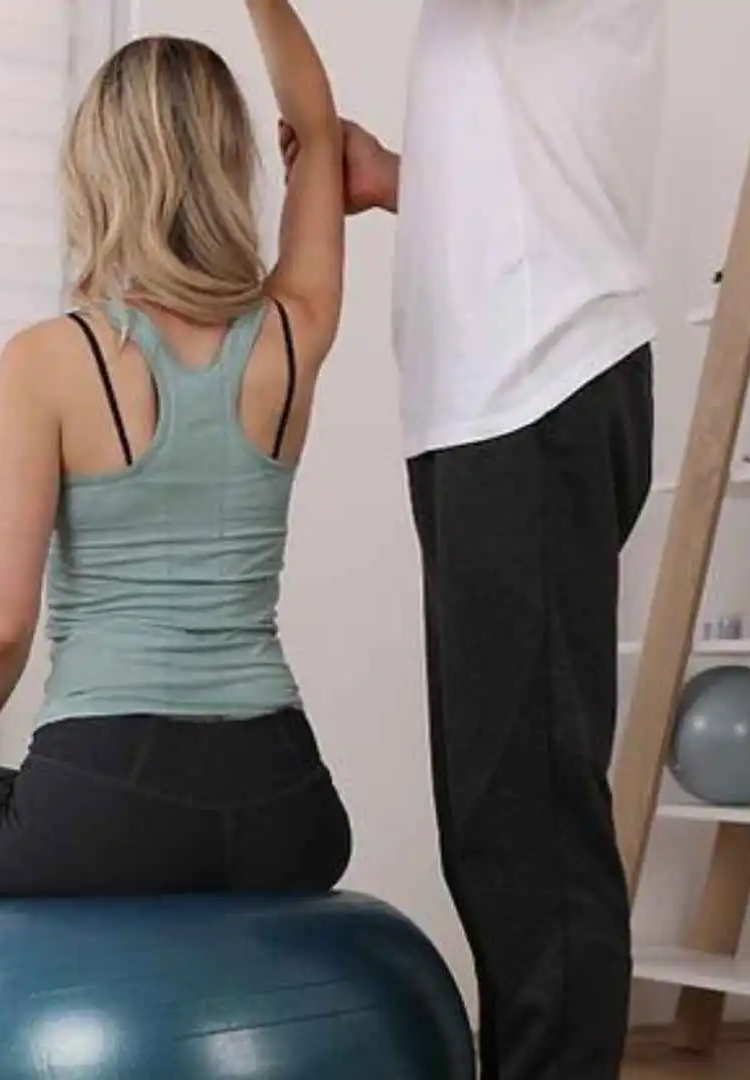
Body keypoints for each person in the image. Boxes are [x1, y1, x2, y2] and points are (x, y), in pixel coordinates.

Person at [0, 2, 352, 1021]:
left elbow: (1, 624)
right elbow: (321, 128)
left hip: (109, 801)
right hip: (287, 806)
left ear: (99, 173)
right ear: (230, 165)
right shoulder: (295, 333)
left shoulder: (47, 359)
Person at [283, 1, 665, 1076]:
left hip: (535, 384)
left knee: (526, 815)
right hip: (482, 401)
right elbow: (542, 162)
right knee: (494, 816)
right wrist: (406, 175)